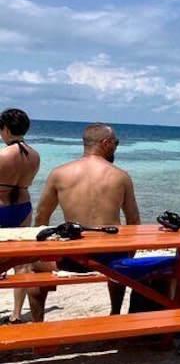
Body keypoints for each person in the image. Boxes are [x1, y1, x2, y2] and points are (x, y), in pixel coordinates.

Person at [30, 123, 141, 321]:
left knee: (34, 266)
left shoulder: (59, 173)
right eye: (116, 143)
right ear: (106, 143)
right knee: (121, 261)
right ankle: (115, 314)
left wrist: (42, 250)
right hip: (111, 259)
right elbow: (133, 220)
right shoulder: (120, 176)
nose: (116, 147)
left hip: (72, 259)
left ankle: (38, 324)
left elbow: (41, 218)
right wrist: (129, 253)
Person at [0, 108, 41, 325]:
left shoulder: (2, 154)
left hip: (1, 204)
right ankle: (16, 314)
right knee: (21, 262)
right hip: (23, 206)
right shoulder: (35, 155)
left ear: (5, 129)